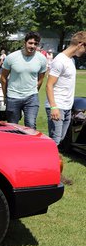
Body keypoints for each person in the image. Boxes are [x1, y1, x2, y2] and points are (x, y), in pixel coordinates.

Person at [45, 31, 86, 166]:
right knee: (55, 141)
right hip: (58, 106)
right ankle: (52, 170)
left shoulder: (71, 60)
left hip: (67, 107)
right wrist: (54, 107)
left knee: (60, 139)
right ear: (80, 44)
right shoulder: (59, 60)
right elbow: (49, 85)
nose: (85, 52)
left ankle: (50, 167)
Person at [0, 32, 48, 129]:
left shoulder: (42, 59)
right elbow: (3, 78)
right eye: (30, 43)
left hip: (31, 97)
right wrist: (5, 95)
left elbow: (41, 79)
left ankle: (31, 144)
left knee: (31, 125)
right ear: (24, 43)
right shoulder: (11, 57)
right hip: (13, 97)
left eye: (35, 44)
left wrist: (34, 92)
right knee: (12, 127)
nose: (32, 46)